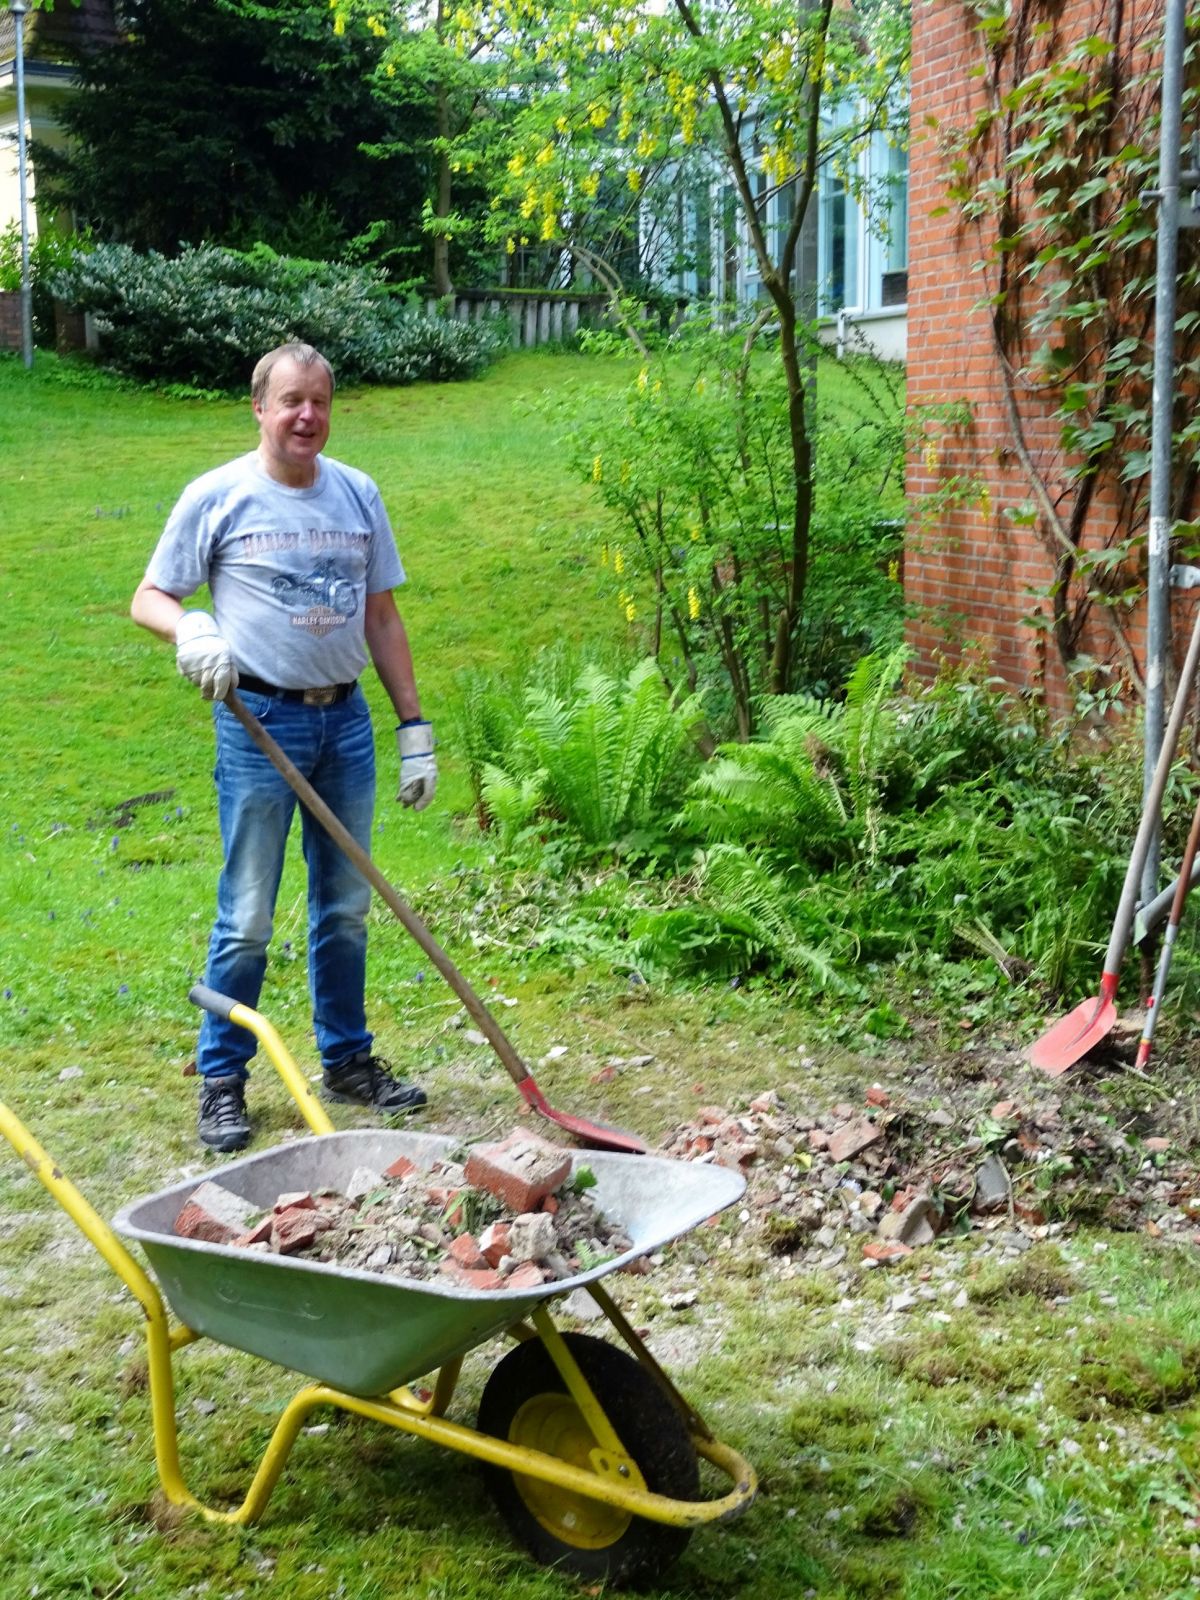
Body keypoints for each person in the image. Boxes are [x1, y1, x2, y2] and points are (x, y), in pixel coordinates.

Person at [131, 341, 436, 1153]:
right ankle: (223, 1079)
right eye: (292, 400)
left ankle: (347, 1061)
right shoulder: (218, 495)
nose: (307, 415)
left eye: (320, 402)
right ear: (259, 407)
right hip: (260, 722)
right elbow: (150, 596)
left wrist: (414, 729)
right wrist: (192, 628)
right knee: (247, 914)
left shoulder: (358, 493)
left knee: (346, 906)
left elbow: (381, 616)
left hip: (346, 723)